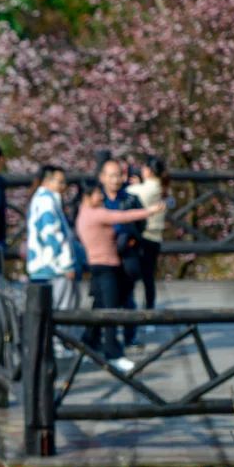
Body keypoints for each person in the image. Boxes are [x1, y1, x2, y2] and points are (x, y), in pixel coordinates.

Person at [76, 182, 165, 373]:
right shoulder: (96, 214)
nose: (101, 197)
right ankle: (113, 354)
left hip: (97, 267)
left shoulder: (83, 213)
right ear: (87, 196)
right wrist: (150, 211)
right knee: (110, 312)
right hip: (106, 268)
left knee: (99, 308)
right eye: (98, 193)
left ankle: (88, 343)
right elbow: (122, 216)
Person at [98, 158, 145, 349]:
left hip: (126, 254)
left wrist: (132, 238)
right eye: (111, 176)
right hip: (103, 254)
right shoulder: (96, 199)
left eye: (118, 175)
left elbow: (142, 223)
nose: (115, 180)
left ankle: (129, 336)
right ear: (102, 178)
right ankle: (103, 338)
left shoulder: (130, 198)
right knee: (104, 299)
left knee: (127, 298)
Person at [26, 164, 77, 310]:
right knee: (61, 313)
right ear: (47, 181)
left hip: (41, 266)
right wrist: (66, 264)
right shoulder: (47, 201)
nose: (63, 186)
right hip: (54, 268)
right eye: (59, 182)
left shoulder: (39, 199)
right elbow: (51, 234)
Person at [126, 155, 169, 316]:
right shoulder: (156, 186)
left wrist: (131, 184)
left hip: (146, 237)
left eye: (144, 168)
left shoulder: (150, 188)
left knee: (143, 276)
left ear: (150, 171)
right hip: (154, 238)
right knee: (148, 277)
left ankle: (147, 310)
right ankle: (148, 307)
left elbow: (129, 192)